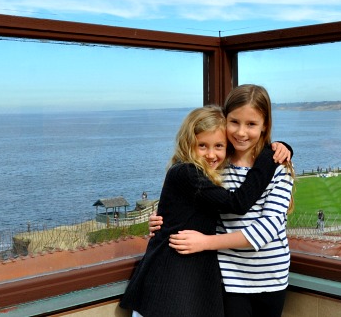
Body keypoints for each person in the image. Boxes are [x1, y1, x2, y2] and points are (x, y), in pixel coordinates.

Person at [119, 105, 291, 317]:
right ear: (188, 144)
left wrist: (280, 147)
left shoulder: (208, 172)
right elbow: (236, 203)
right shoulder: (187, 173)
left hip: (192, 279)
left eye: (219, 146)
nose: (211, 154)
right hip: (170, 282)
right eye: (202, 146)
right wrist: (268, 156)